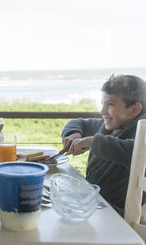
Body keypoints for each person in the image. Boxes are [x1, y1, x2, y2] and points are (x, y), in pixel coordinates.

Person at [60, 75, 146, 216]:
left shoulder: (143, 129)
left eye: (110, 104)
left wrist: (94, 142)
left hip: (115, 214)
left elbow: (136, 150)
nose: (102, 111)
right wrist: (73, 134)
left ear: (134, 109)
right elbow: (78, 122)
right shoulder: (110, 125)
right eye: (103, 104)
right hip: (95, 202)